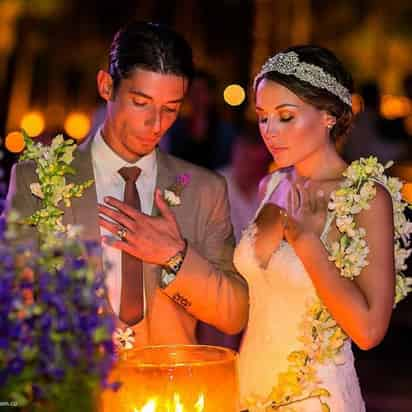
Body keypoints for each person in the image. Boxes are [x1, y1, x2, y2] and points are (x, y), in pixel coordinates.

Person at [6, 21, 248, 347]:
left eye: (170, 109)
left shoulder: (204, 189)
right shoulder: (37, 180)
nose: (155, 123)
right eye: (140, 102)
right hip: (74, 390)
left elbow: (234, 314)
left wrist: (175, 256)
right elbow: (12, 301)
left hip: (167, 390)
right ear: (107, 86)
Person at [236, 46, 398, 411]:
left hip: (317, 399)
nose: (269, 132)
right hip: (247, 390)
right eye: (262, 118)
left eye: (285, 116)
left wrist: (307, 243)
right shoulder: (271, 186)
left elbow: (369, 332)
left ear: (328, 116)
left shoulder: (365, 197)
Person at [161, 69, 237, 170]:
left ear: (211, 95)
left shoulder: (225, 131)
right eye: (193, 91)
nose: (196, 96)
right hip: (182, 180)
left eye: (201, 91)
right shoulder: (177, 127)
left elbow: (226, 164)